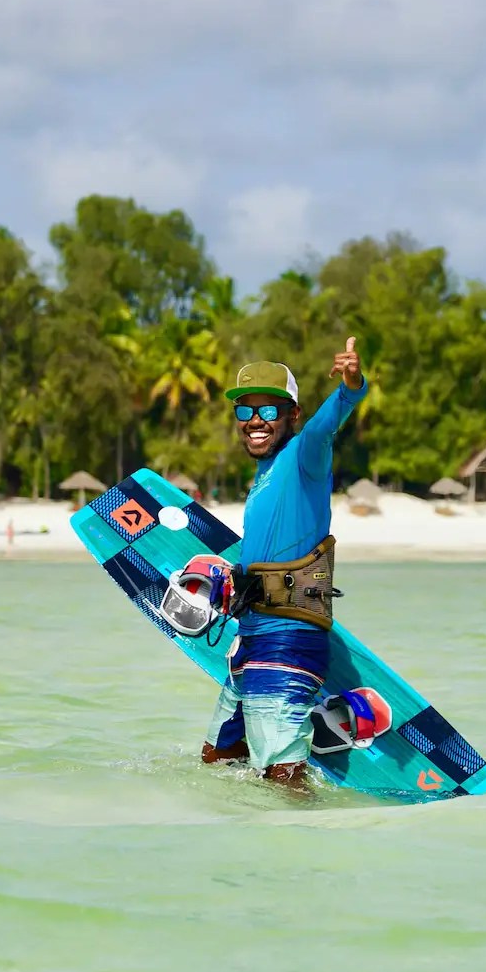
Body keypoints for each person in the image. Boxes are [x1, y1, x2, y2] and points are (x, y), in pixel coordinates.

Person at [201, 337, 366, 787]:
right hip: (252, 637)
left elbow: (325, 427)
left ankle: (304, 846)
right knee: (219, 756)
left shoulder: (304, 456)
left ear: (292, 414)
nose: (255, 420)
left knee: (280, 775)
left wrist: (351, 386)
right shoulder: (264, 474)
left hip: (289, 638)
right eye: (245, 410)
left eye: (269, 410)